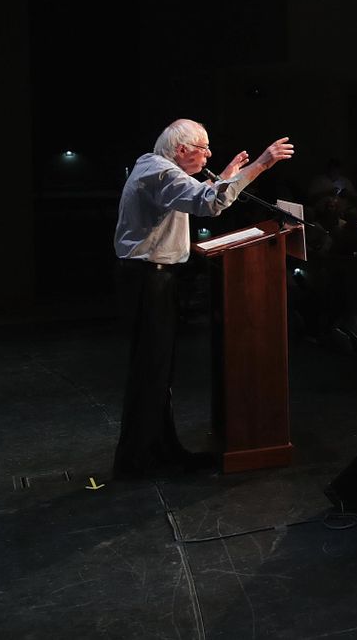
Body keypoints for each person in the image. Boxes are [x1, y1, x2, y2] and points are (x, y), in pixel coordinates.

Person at [112, 119, 294, 478]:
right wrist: (262, 164)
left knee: (158, 373)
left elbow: (196, 192)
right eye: (203, 148)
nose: (209, 154)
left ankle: (160, 450)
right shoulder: (160, 173)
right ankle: (137, 462)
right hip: (149, 280)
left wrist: (224, 175)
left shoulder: (157, 167)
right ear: (181, 150)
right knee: (151, 372)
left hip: (151, 280)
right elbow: (208, 203)